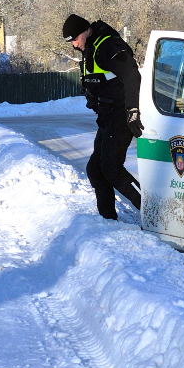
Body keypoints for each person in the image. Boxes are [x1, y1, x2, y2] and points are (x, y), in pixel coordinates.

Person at [63, 14, 143, 220]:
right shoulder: (91, 47)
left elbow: (132, 75)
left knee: (111, 168)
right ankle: (108, 219)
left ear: (85, 31)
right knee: (96, 170)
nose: (74, 44)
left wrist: (133, 111)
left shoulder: (108, 46)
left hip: (120, 116)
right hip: (107, 118)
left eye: (74, 39)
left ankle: (153, 212)